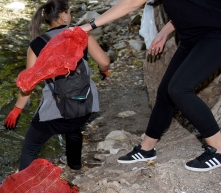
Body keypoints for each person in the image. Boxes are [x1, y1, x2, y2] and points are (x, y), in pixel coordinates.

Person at [82, 0, 221, 171]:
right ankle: (146, 149)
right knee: (166, 93)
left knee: (179, 89)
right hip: (192, 38)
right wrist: (165, 31)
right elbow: (191, 7)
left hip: (214, 35)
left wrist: (88, 27)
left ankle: (218, 148)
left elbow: (131, 4)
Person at [5, 0, 110, 171]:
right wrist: (103, 71)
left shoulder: (37, 44)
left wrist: (17, 110)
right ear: (63, 16)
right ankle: (75, 166)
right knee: (75, 127)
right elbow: (104, 62)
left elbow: (28, 84)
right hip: (84, 105)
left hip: (56, 113)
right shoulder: (80, 34)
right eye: (69, 12)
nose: (70, 16)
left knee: (31, 147)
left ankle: (24, 185)